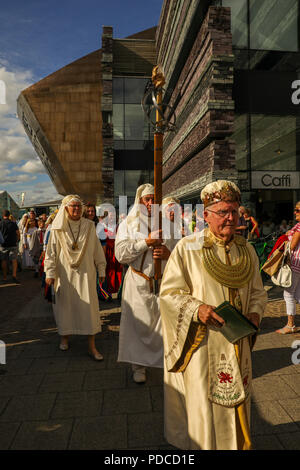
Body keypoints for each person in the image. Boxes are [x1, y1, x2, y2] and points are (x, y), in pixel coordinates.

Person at [159, 180, 267, 450]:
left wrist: (254, 314)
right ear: (205, 215)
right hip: (203, 344)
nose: (230, 217)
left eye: (234, 211)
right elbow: (169, 294)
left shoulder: (247, 250)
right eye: (222, 212)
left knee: (238, 402)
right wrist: (198, 309)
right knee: (205, 409)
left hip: (238, 342)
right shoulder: (187, 248)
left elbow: (257, 291)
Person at [114, 184, 178, 383]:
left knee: (163, 326)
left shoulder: (169, 224)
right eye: (147, 199)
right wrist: (146, 243)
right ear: (140, 201)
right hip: (138, 282)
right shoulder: (129, 224)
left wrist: (169, 254)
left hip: (164, 282)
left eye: (154, 199)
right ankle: (138, 366)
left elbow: (181, 252)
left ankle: (166, 363)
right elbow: (120, 255)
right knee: (139, 325)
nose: (150, 203)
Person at [44, 195, 107, 359]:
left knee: (89, 309)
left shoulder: (89, 225)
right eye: (73, 206)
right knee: (66, 307)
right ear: (66, 208)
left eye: (79, 206)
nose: (77, 209)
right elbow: (50, 253)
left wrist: (101, 269)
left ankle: (92, 346)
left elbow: (97, 250)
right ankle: (64, 337)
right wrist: (49, 273)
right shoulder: (57, 228)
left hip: (86, 274)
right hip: (64, 275)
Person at [276, 201, 300, 334]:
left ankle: (290, 325)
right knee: (298, 293)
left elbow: (292, 246)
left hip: (295, 262)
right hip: (298, 263)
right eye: (295, 210)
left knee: (289, 294)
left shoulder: (299, 227)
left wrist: (288, 237)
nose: (295, 212)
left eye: (298, 210)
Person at [0, 210, 20, 283]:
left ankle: (5, 277)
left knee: (4, 260)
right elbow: (18, 233)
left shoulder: (0, 223)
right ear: (9, 215)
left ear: (3, 215)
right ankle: (14, 275)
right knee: (14, 260)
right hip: (13, 244)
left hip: (3, 244)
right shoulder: (13, 223)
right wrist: (17, 240)